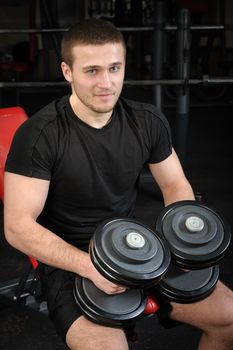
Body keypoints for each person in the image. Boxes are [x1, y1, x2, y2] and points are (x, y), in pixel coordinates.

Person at [3, 18, 233, 350]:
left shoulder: (146, 121)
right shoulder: (40, 135)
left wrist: (183, 242)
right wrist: (91, 267)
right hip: (72, 259)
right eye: (92, 71)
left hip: (134, 244)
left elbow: (175, 185)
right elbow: (18, 227)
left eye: (114, 68)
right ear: (68, 72)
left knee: (228, 316)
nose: (106, 83)